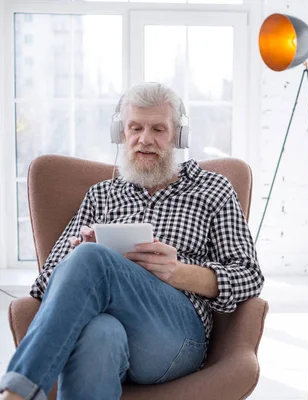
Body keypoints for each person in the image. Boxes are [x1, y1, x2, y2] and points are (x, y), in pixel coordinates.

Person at [0, 82, 264, 400]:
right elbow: (44, 285)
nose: (145, 139)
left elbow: (249, 276)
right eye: (135, 127)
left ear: (178, 136)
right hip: (112, 334)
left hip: (176, 338)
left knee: (92, 258)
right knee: (99, 333)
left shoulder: (212, 190)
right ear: (121, 133)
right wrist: (77, 259)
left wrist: (179, 272)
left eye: (158, 129)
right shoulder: (101, 195)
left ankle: (15, 394)